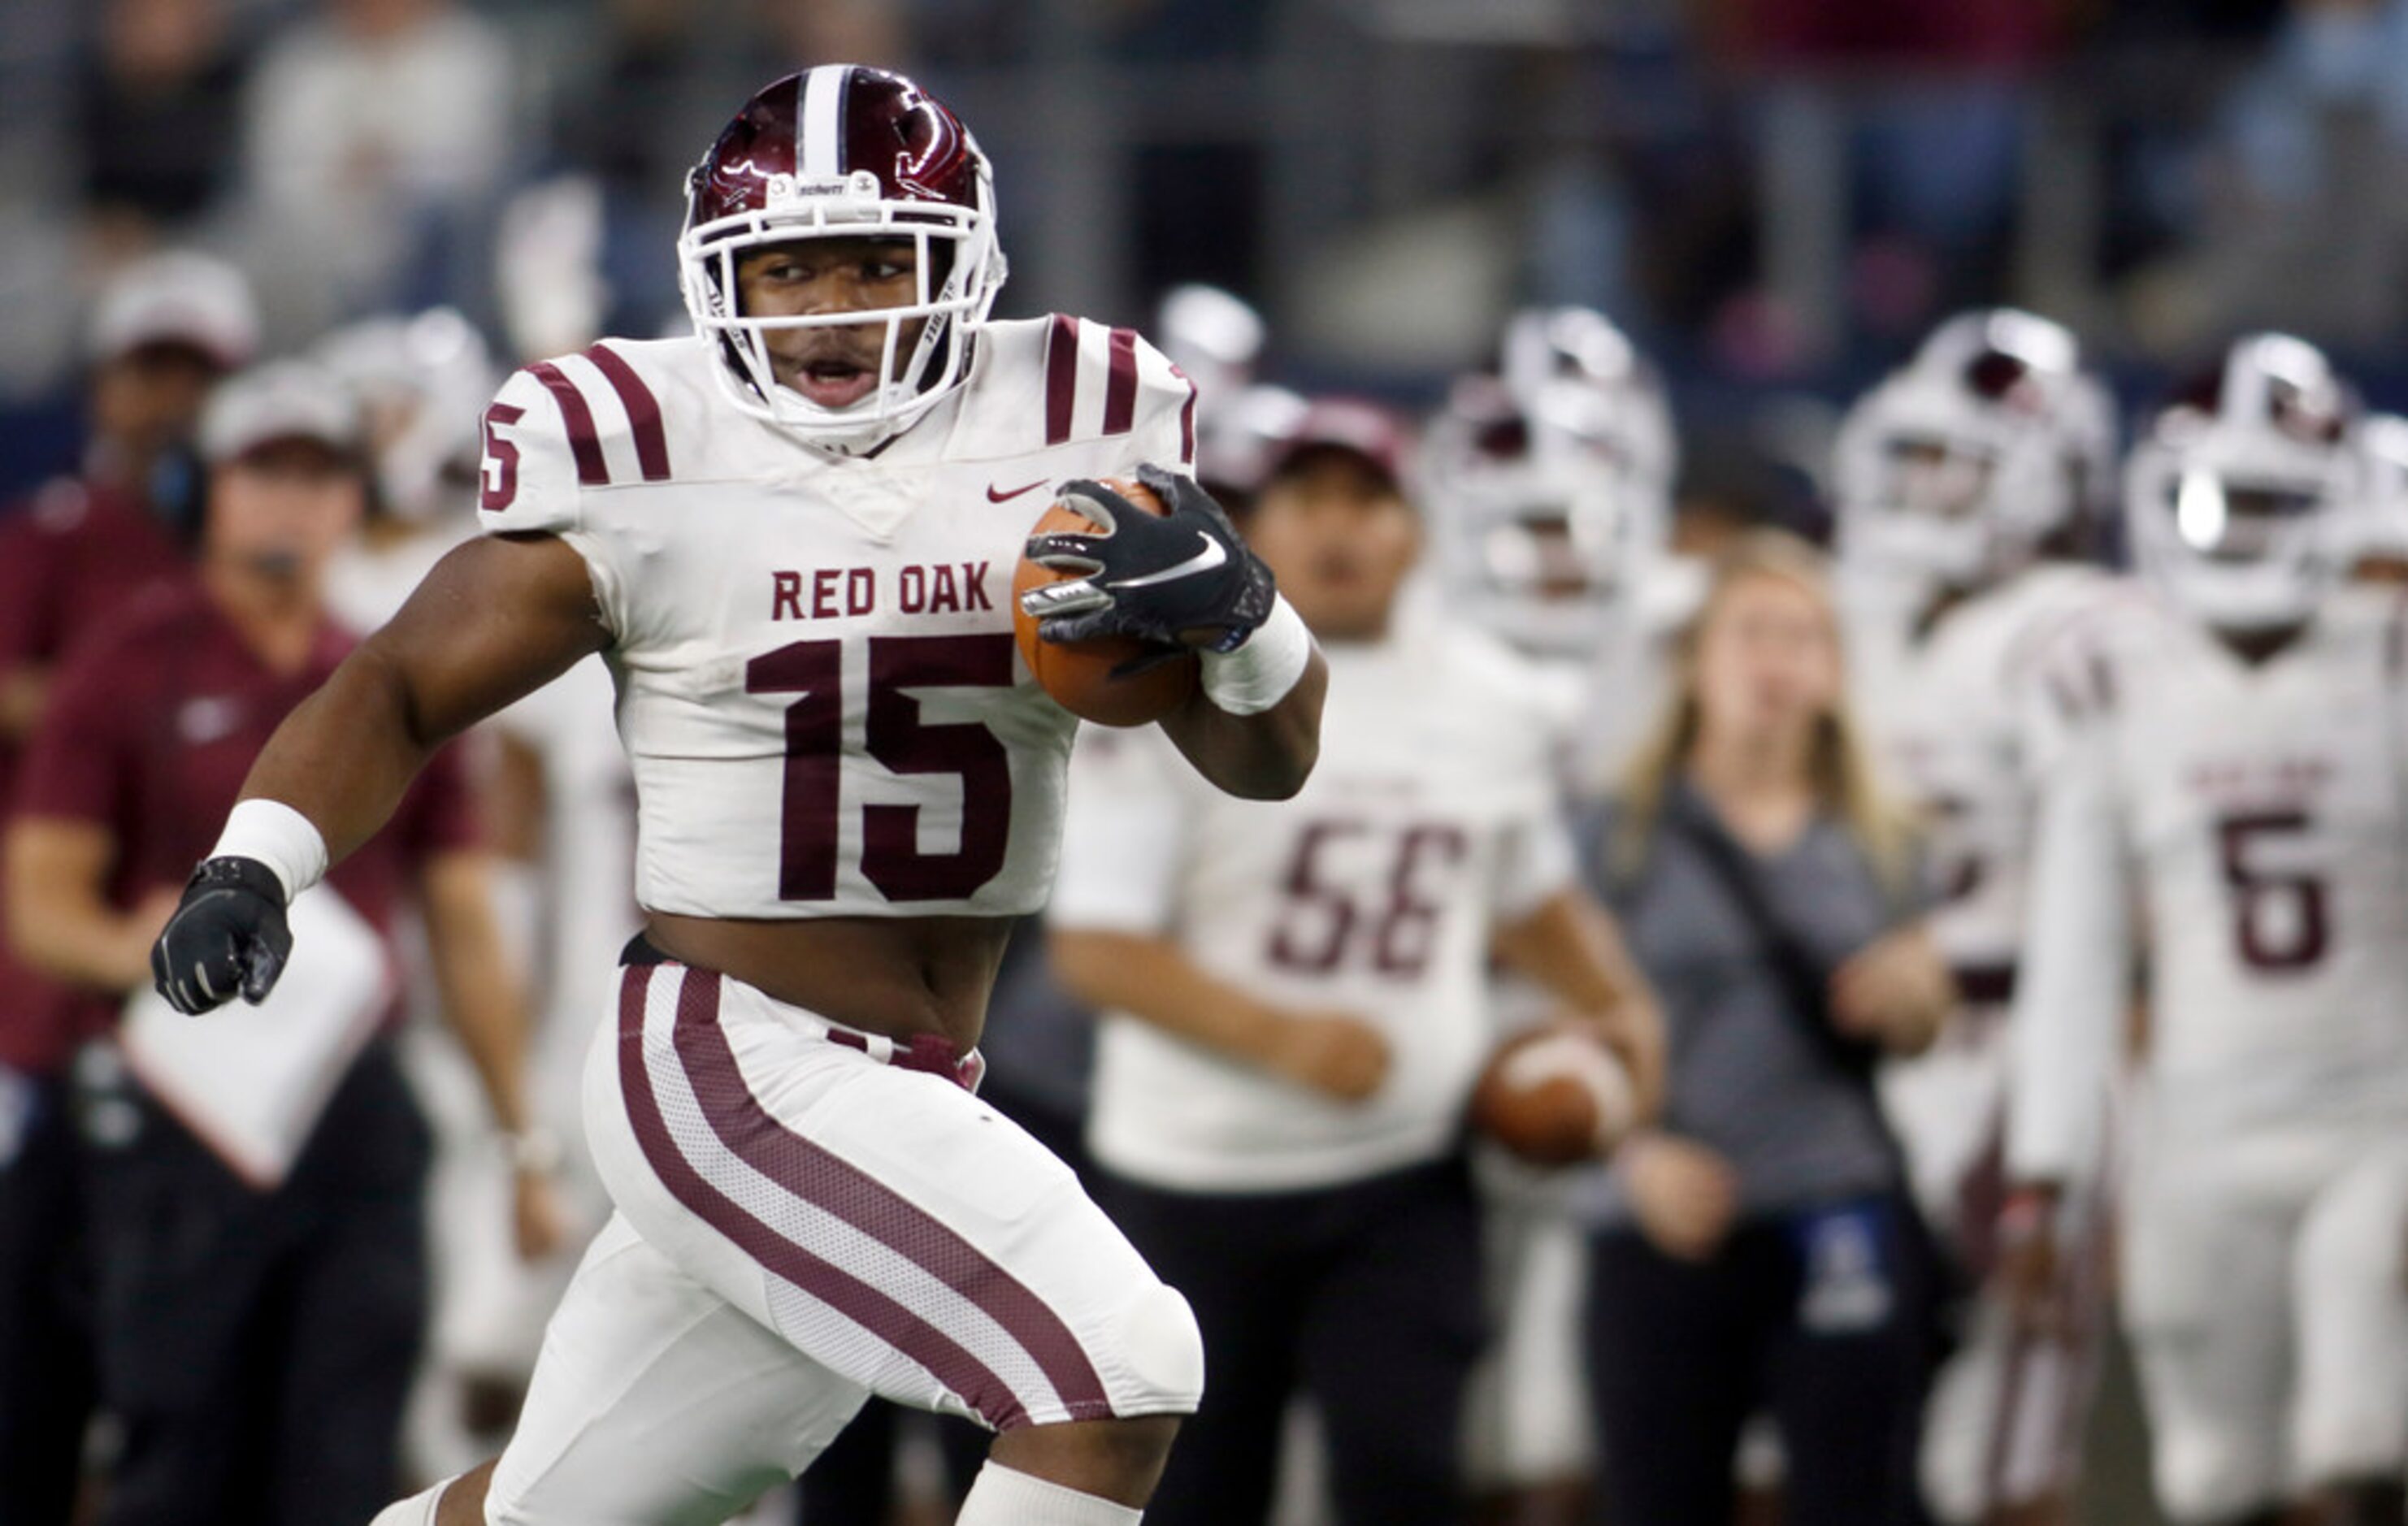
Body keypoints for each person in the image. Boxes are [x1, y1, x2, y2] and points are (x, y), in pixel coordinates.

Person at [149, 66, 1326, 1526]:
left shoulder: (1079, 421)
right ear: (723, 284)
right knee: (1116, 1365)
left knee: (546, 1514)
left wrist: (1246, 616)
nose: (830, 305)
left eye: (872, 261)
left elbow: (1266, 763)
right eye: (787, 268)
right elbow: (398, 681)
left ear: (959, 262)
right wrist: (252, 863)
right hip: (727, 1055)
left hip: (899, 1073)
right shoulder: (645, 452)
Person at [1048, 399, 1664, 1526]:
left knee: (1406, 1479)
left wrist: (1616, 1004)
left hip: (1401, 1171)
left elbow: (1525, 893)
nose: (1338, 526)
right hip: (1192, 1176)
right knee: (1197, 1494)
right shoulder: (1176, 678)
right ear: (1260, 521)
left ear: (1417, 527)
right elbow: (1095, 944)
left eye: (1366, 498)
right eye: (1308, 498)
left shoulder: (1489, 694)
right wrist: (1282, 1035)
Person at [5, 359, 557, 1524]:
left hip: (353, 1097)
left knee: (345, 1450)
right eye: (264, 471)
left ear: (356, 499)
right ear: (208, 490)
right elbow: (41, 897)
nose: (292, 503)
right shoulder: (125, 659)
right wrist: (145, 955)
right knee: (179, 1444)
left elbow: (461, 915)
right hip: (180, 1104)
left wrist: (519, 1137)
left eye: (320, 474)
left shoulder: (388, 676)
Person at [2007, 335, 2408, 1526]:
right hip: (2195, 1130)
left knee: (2356, 1441)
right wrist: (2046, 1175)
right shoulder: (2116, 680)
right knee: (2208, 1473)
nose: (2235, 531)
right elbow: (2073, 950)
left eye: (2270, 501)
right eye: (2213, 499)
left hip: (2376, 1122)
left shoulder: (2386, 661)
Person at [1579, 530, 1956, 1526]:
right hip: (1662, 1216)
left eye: (1801, 637)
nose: (1773, 660)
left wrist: (1916, 1002)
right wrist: (1632, 1161)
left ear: (1834, 671)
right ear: (1693, 661)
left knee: (1861, 1498)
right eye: (1748, 632)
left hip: (1832, 1201)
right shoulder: (1611, 834)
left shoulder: (1885, 841)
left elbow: (1915, 1029)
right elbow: (1555, 1031)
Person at [1832, 308, 2120, 1525]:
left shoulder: (2072, 629)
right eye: (1914, 457)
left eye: (1960, 460)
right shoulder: (1871, 616)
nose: (1926, 489)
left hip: (2017, 1048)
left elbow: (2114, 879)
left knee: (1997, 1450)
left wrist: (1951, 946)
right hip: (1865, 1061)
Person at [1416, 306, 1686, 1526]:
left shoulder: (1691, 630)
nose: (1553, 541)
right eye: (1518, 512)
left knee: (1581, 1415)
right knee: (1424, 1408)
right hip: (1433, 1040)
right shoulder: (1400, 640)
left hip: (1644, 1033)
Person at [0, 246, 257, 1526]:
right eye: (150, 368)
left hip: (221, 996)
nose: (173, 398)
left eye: (197, 373)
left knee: (190, 1355)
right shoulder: (59, 539)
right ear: (103, 383)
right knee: (31, 1331)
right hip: (57, 980)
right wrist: (116, 704)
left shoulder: (245, 542)